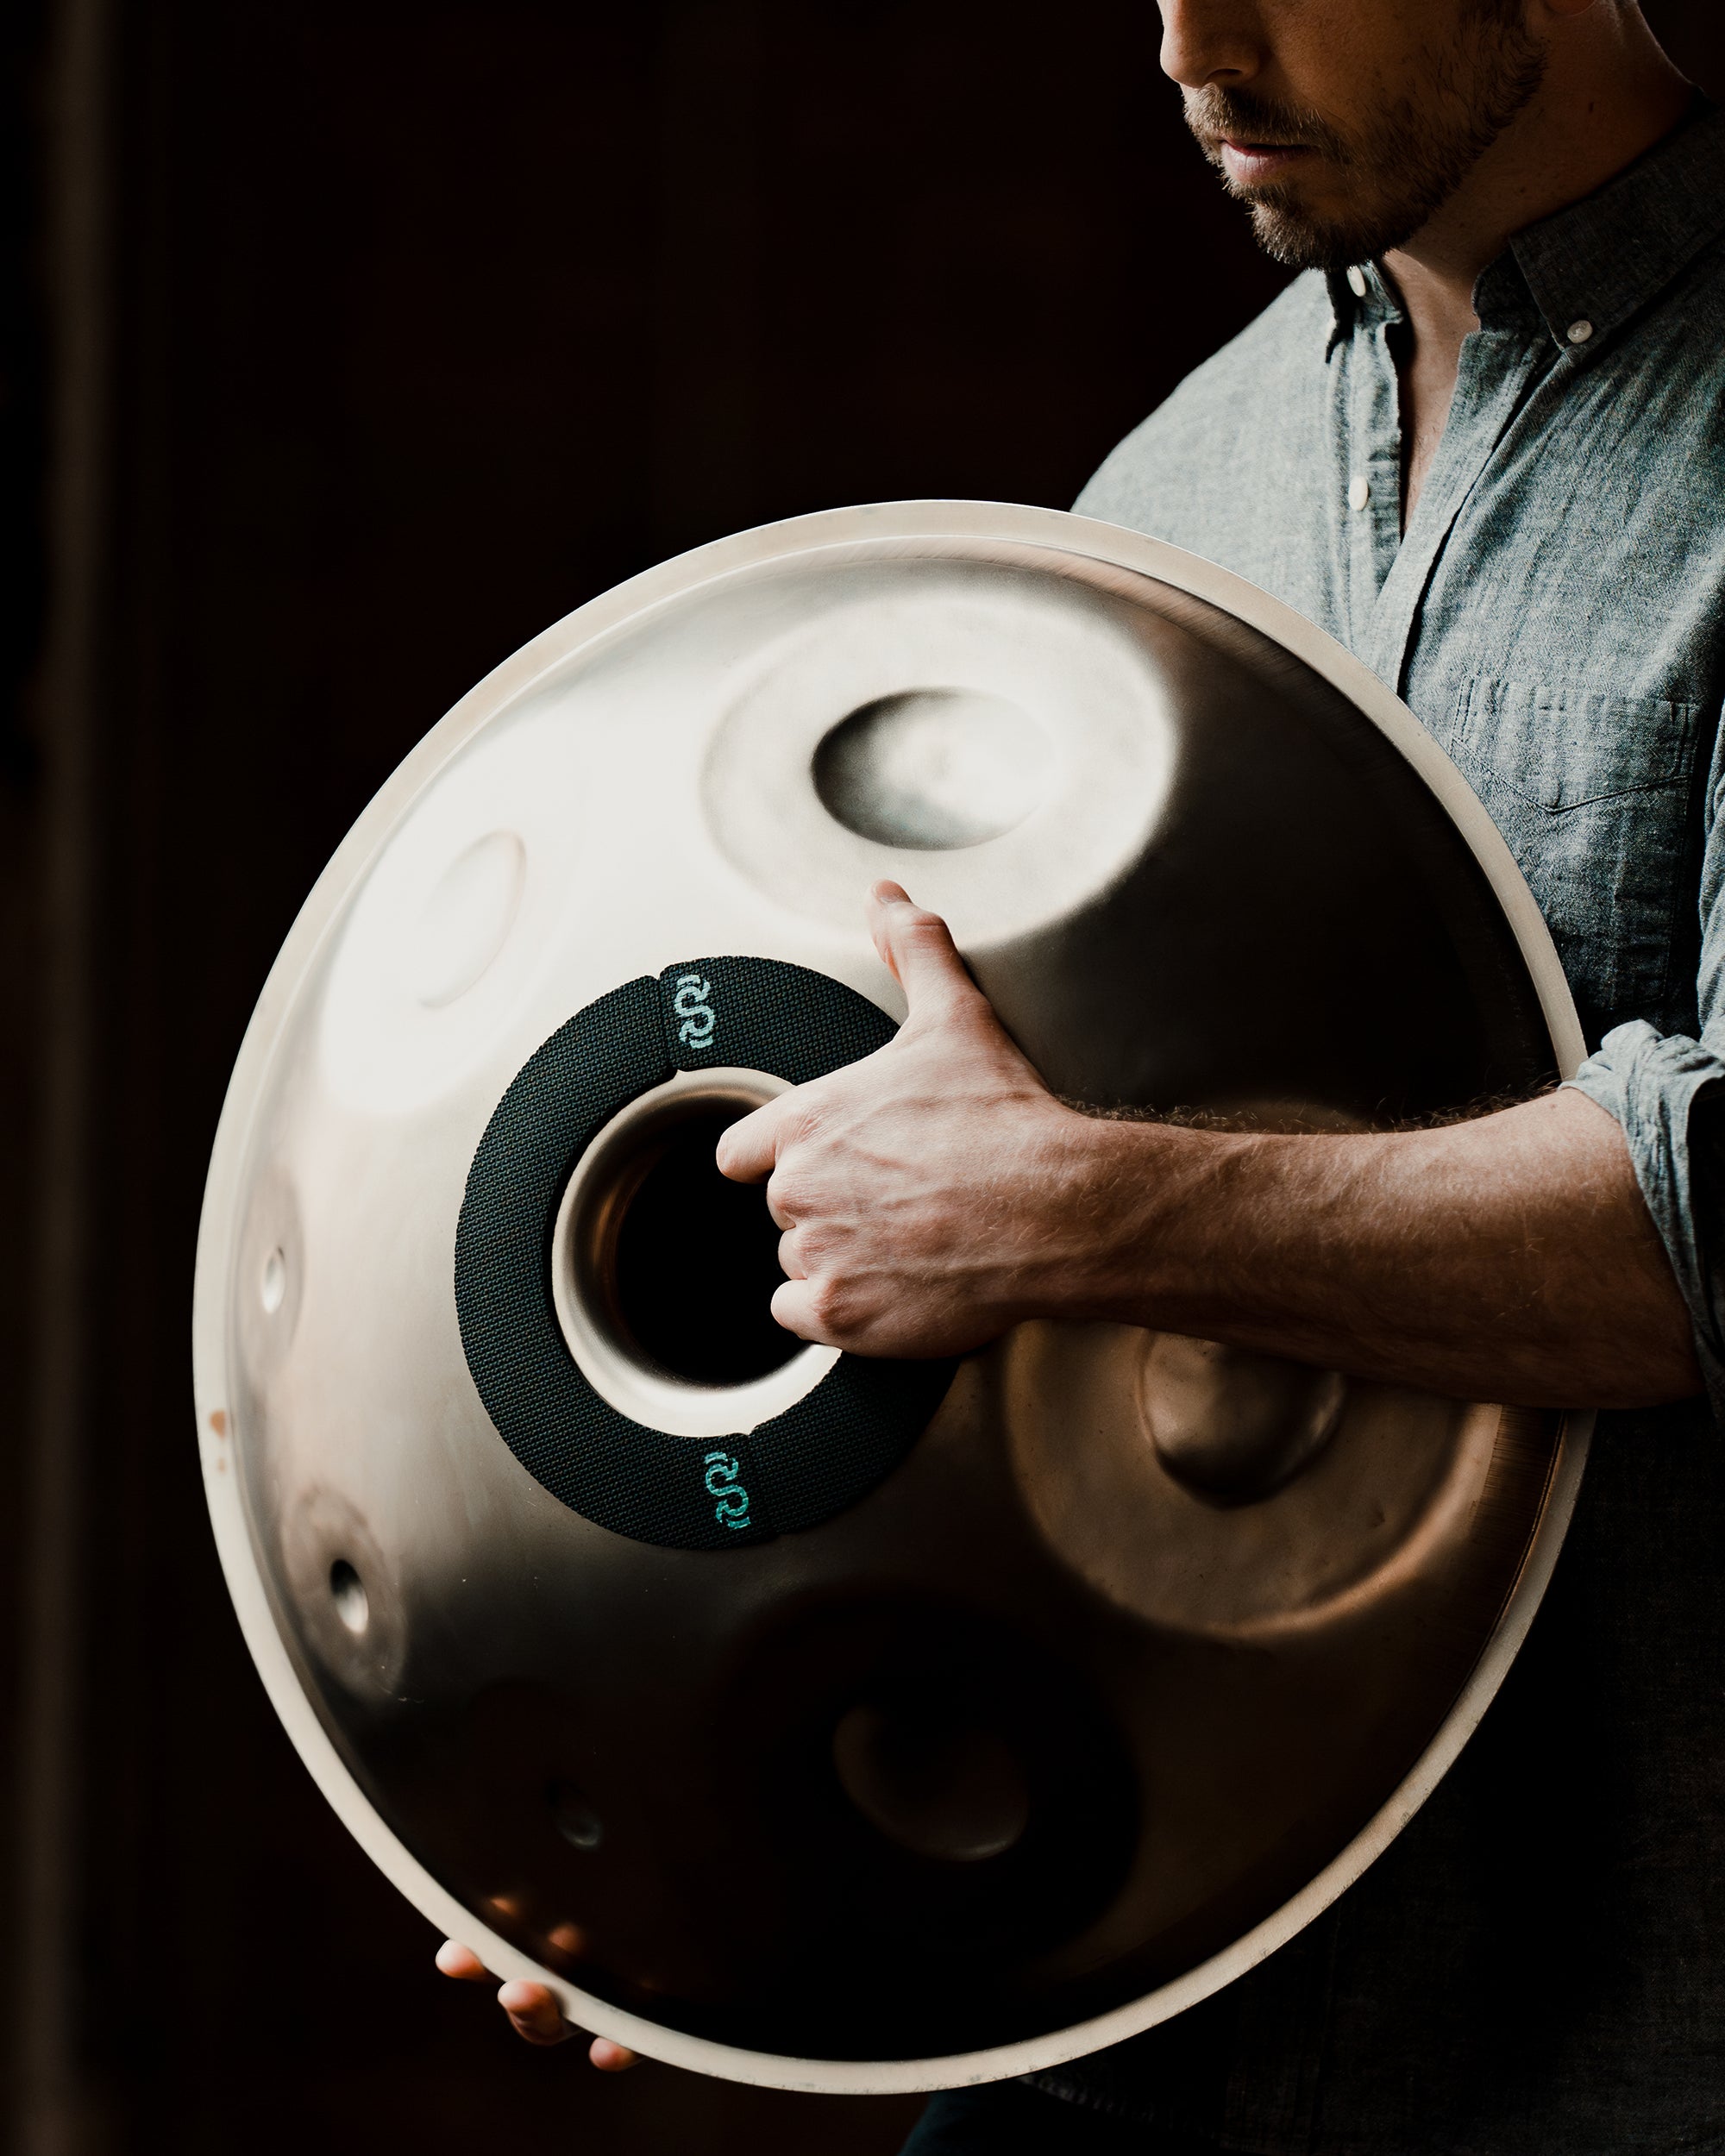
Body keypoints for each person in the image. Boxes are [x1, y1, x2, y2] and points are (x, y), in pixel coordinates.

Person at [440, 1, 1725, 2147]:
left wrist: (1075, 1202)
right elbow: (970, 1324)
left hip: (1624, 2039)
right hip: (1143, 2068)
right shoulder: (1166, 497)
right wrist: (684, 1800)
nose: (1182, 46)